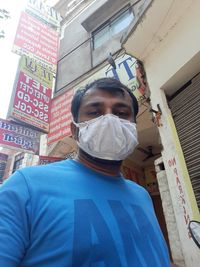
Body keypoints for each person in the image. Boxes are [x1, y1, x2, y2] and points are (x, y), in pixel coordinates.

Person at [0, 78, 171, 267]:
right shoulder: (26, 188)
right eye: (95, 112)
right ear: (75, 130)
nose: (109, 120)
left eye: (122, 113)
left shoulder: (142, 195)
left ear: (133, 127)